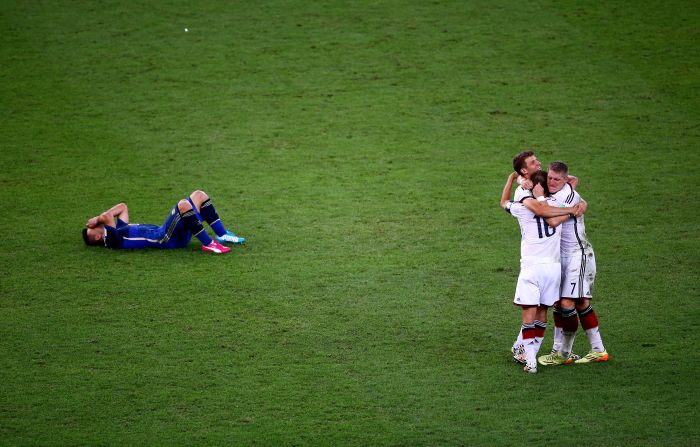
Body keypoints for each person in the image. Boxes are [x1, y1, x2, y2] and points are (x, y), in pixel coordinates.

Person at [500, 170, 582, 373]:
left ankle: (530, 361)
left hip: (531, 268)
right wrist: (575, 208)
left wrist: (513, 179)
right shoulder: (558, 206)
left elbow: (504, 202)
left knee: (528, 315)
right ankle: (531, 355)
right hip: (552, 269)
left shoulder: (522, 208)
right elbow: (573, 183)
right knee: (542, 313)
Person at [537, 162, 609, 365]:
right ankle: (598, 350)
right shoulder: (563, 188)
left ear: (564, 180)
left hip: (578, 255)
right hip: (561, 257)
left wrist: (569, 208)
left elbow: (550, 219)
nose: (551, 181)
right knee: (578, 302)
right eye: (549, 177)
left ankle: (563, 354)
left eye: (557, 179)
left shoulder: (566, 197)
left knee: (566, 303)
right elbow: (574, 179)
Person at [82, 190, 245, 254]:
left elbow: (122, 207)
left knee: (199, 195)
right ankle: (209, 244)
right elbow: (107, 217)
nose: (95, 225)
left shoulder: (119, 229)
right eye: (93, 229)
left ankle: (222, 235)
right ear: (97, 237)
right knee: (183, 205)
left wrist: (98, 220)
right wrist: (96, 219)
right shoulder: (110, 240)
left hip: (171, 234)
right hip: (165, 238)